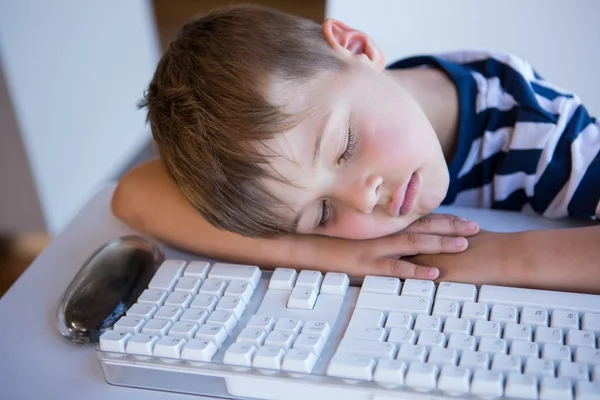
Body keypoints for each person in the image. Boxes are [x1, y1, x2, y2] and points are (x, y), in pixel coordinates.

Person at [112, 5, 600, 294]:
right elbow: (134, 193)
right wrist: (316, 251)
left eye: (344, 148)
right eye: (323, 213)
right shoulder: (340, 105)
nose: (363, 200)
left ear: (358, 48)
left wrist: (497, 258)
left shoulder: (540, 134)